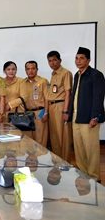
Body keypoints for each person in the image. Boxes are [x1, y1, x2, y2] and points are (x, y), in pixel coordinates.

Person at [69, 47, 105, 180]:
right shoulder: (77, 75)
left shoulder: (96, 75)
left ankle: (94, 177)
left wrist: (95, 117)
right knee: (79, 149)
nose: (78, 61)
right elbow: (74, 96)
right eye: (76, 58)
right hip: (76, 117)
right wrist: (69, 114)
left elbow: (98, 97)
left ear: (88, 60)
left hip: (89, 119)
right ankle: (83, 174)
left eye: (82, 58)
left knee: (91, 150)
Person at [10, 61, 49, 146]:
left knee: (40, 140)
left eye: (33, 68)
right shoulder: (22, 82)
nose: (30, 71)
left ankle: (41, 159)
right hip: (27, 115)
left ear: (37, 69)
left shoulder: (43, 81)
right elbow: (19, 98)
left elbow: (47, 99)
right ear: (25, 70)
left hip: (40, 113)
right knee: (28, 141)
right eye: (28, 69)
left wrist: (46, 113)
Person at [46, 51, 73, 160]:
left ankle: (65, 162)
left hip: (61, 106)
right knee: (55, 137)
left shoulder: (66, 73)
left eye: (54, 60)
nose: (52, 63)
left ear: (60, 60)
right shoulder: (53, 74)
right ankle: (57, 161)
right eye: (50, 61)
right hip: (52, 107)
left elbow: (68, 93)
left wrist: (65, 111)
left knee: (63, 136)